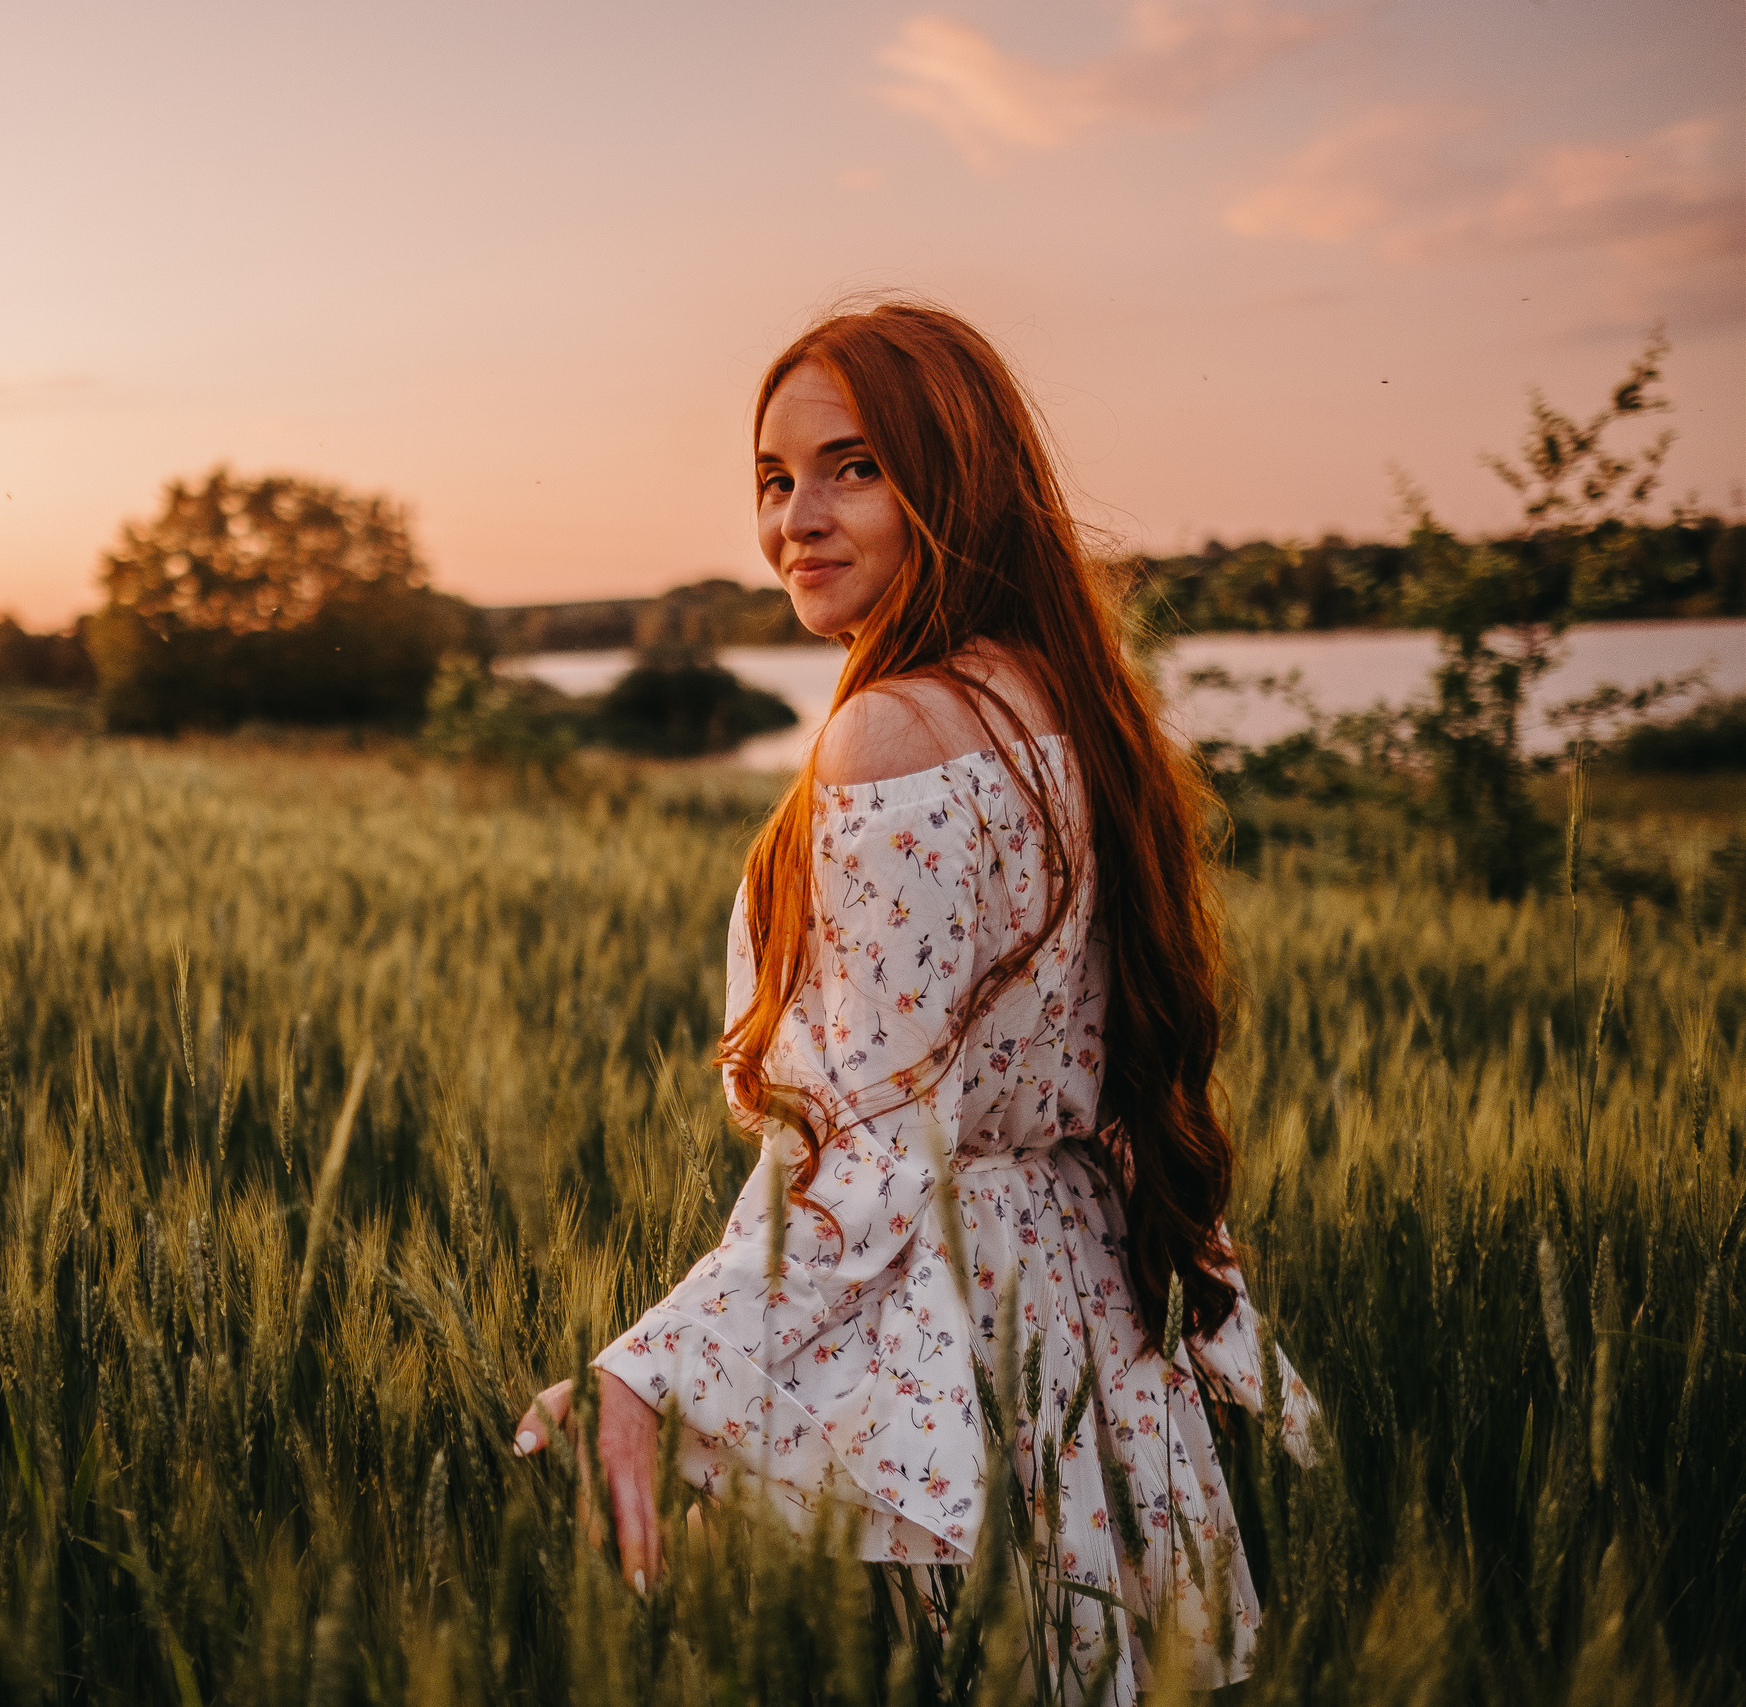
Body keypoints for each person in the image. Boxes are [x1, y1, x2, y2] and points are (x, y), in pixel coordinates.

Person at [515, 298, 1316, 1697]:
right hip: (1087, 1319)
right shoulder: (1072, 705)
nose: (798, 522)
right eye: (775, 479)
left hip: (950, 1357)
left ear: (957, 480)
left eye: (856, 467)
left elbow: (877, 1153)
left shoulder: (892, 733)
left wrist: (652, 1370)